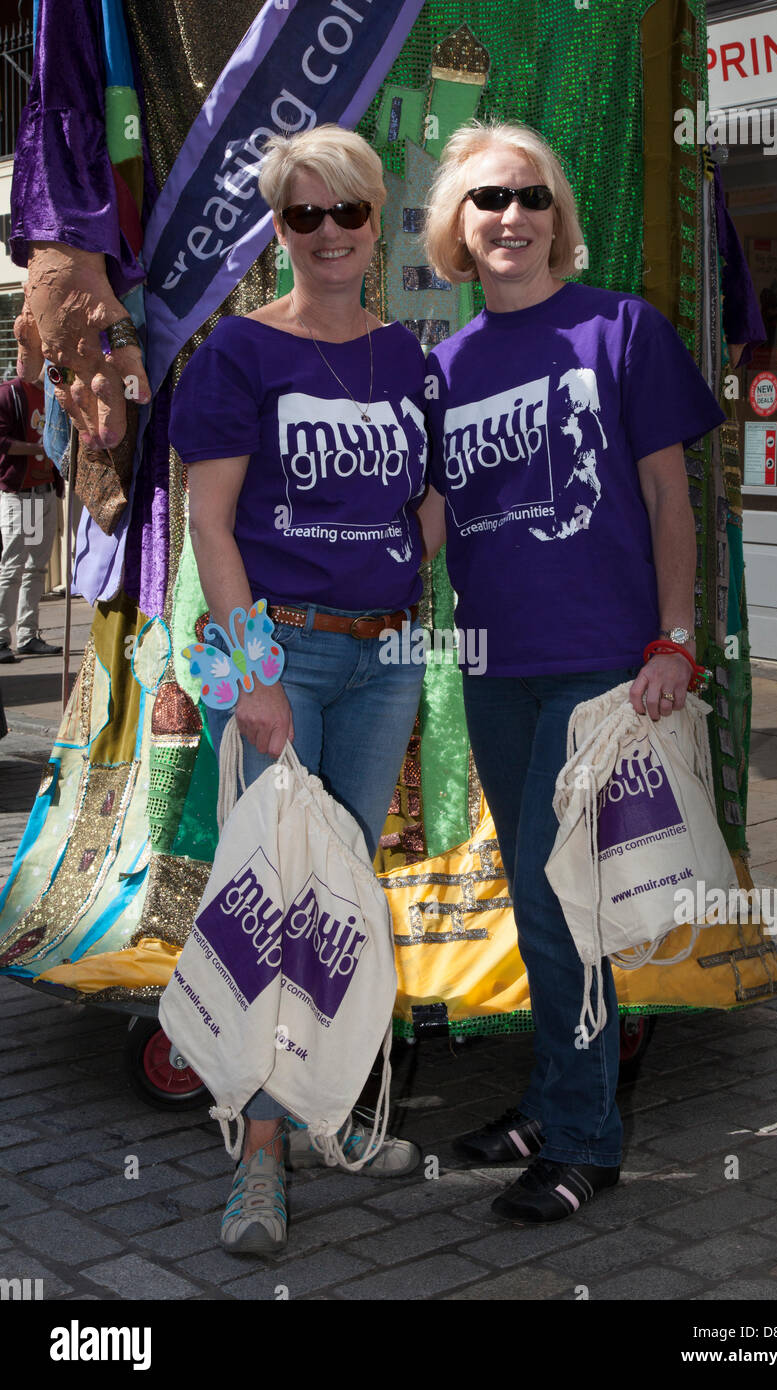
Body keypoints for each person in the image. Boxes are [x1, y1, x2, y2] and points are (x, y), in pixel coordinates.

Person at [419, 119, 726, 1223]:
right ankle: (548, 1104)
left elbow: (666, 499)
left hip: (602, 667)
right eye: (488, 199)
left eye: (531, 196)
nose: (511, 216)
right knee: (534, 898)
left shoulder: (621, 331)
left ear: (558, 215)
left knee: (567, 904)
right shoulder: (440, 371)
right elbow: (428, 526)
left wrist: (672, 637)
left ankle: (586, 1141)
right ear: (455, 224)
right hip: (494, 671)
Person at [170, 124, 438, 1255]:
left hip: (383, 662)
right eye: (302, 215)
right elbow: (208, 521)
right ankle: (260, 1155)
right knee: (271, 904)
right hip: (283, 659)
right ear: (278, 228)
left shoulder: (411, 361)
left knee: (334, 898)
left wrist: (414, 593)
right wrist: (253, 678)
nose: (327, 235)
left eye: (347, 213)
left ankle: (325, 1112)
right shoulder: (240, 352)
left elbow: (425, 497)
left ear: (377, 220)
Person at [0, 372, 63, 662]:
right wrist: (39, 449)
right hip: (19, 495)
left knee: (35, 567)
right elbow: (2, 441)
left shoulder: (54, 391)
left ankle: (28, 635)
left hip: (42, 494)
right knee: (11, 568)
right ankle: (1, 637)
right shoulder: (9, 393)